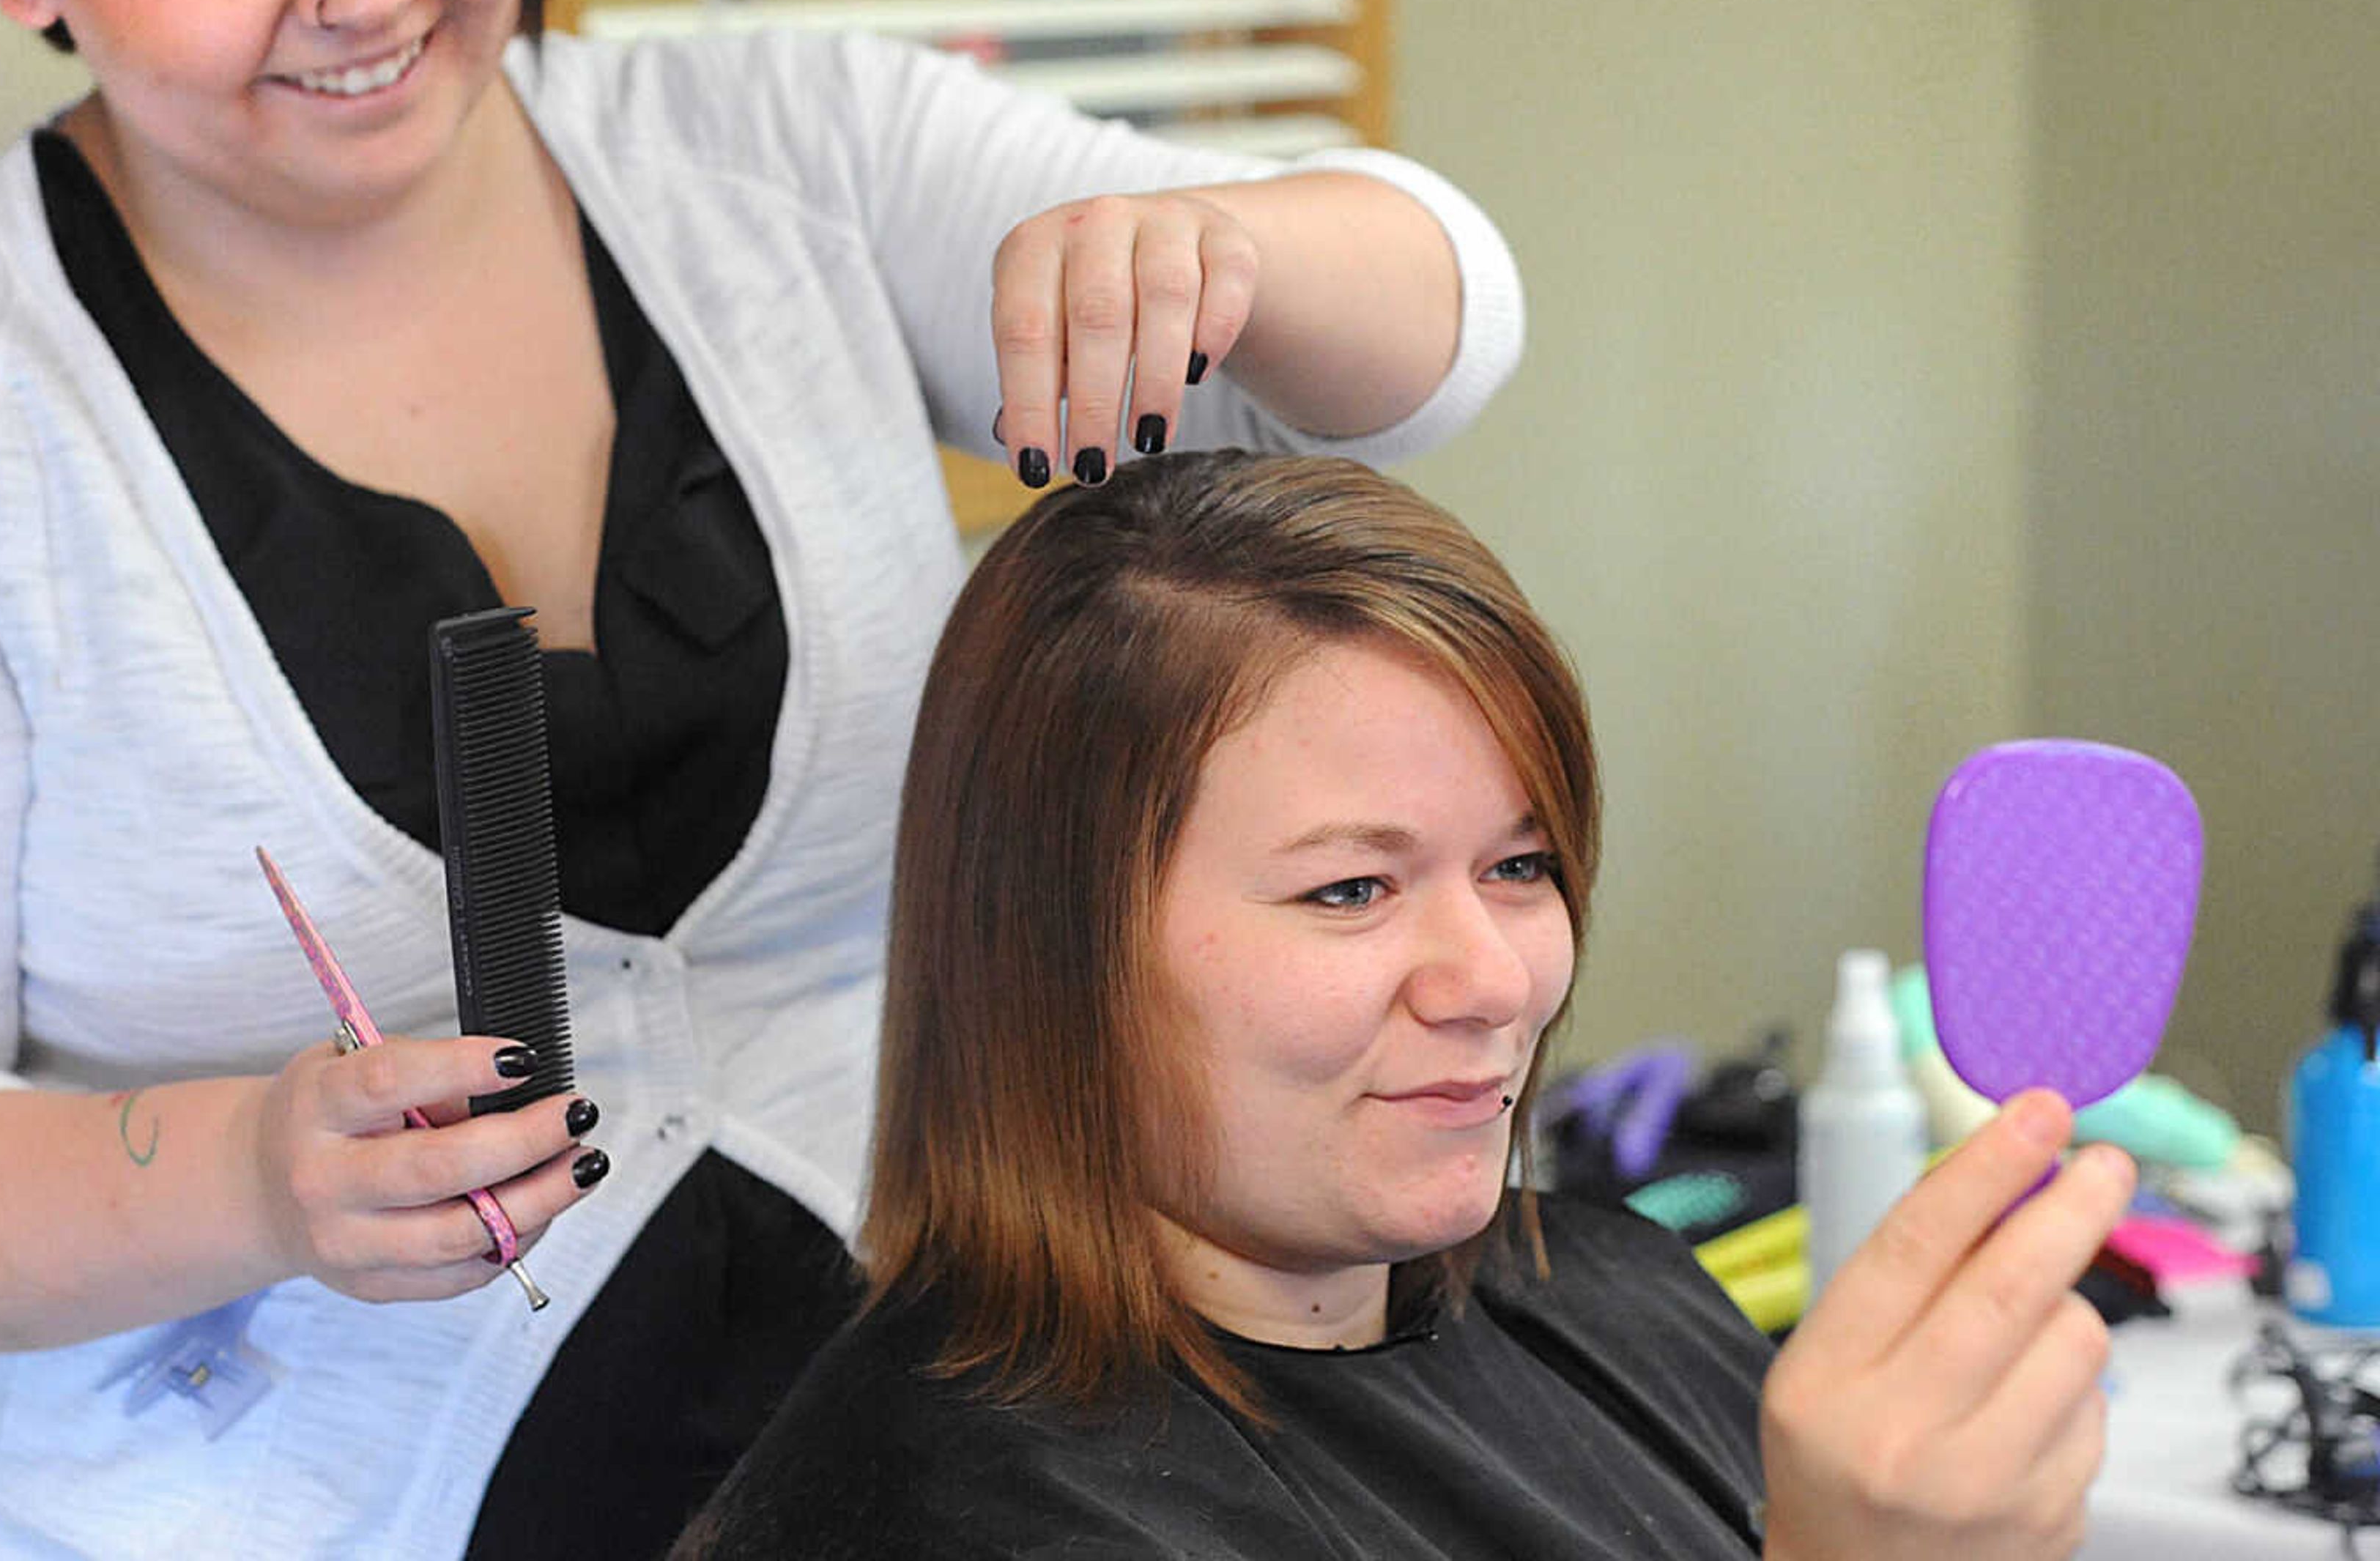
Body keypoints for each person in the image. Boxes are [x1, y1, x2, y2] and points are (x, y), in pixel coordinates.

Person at [0, 0, 1524, 1557]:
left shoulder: (787, 159)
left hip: (947, 1452)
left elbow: (1443, 333)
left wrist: (1220, 241)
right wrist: (249, 1175)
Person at [679, 451, 2136, 1561]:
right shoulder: (939, 1515)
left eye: (1520, 864)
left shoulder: (1612, 1293)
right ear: (1050, 943)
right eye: (1350, 892)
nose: (1495, 978)